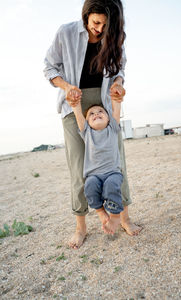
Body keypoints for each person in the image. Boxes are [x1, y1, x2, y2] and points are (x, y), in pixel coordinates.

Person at [44, 0, 142, 249]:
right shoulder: (66, 32)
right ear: (86, 15)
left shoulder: (114, 37)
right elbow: (49, 66)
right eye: (96, 22)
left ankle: (124, 218)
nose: (100, 29)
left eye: (106, 25)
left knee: (116, 161)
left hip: (104, 104)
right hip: (73, 103)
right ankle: (81, 227)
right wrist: (67, 87)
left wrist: (118, 84)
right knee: (79, 168)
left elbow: (120, 68)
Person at [72, 99, 123, 235]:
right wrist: (75, 104)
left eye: (101, 111)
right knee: (89, 185)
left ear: (108, 118)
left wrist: (117, 98)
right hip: (93, 175)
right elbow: (78, 114)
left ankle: (115, 216)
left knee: (112, 185)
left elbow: (116, 110)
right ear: (87, 121)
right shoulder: (86, 132)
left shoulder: (112, 128)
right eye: (91, 114)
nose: (96, 114)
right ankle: (100, 211)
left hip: (113, 173)